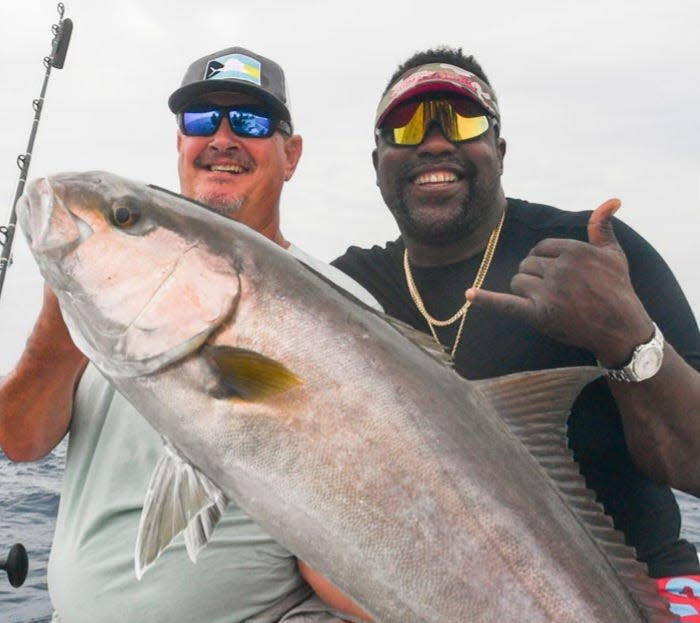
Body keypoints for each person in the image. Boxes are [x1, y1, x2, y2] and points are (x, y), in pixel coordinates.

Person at [0, 46, 375, 623]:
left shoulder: (347, 314)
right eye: (201, 120)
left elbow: (352, 550)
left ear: (291, 154)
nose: (222, 137)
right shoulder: (111, 284)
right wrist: (64, 311)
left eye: (250, 121)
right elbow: (20, 442)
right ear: (180, 143)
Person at [331, 47, 700, 620]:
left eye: (462, 120)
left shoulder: (593, 249)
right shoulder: (350, 290)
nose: (434, 142)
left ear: (499, 151)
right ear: (376, 159)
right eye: (404, 125)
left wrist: (627, 337)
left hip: (645, 588)